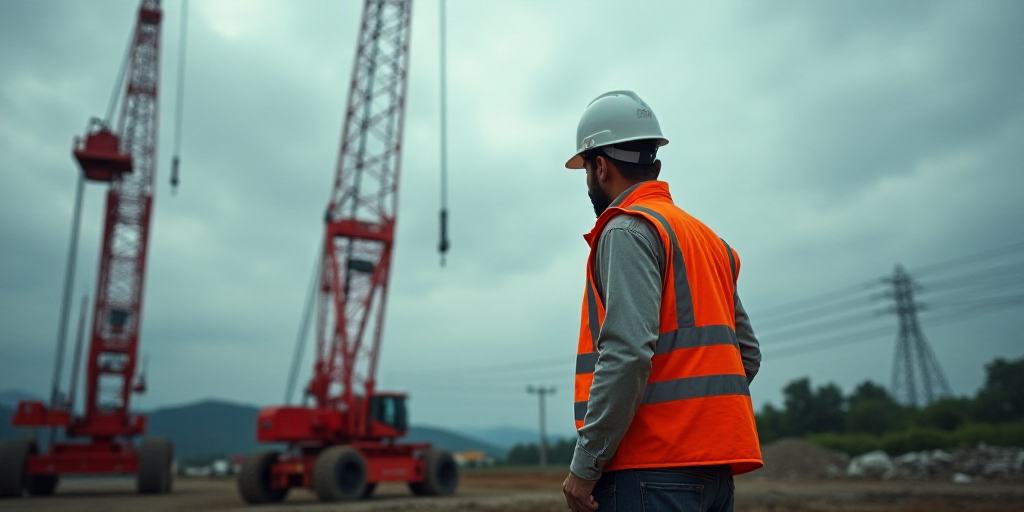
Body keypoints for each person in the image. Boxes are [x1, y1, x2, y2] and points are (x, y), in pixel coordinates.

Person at [561, 91, 763, 512]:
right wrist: (695, 426)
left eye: (586, 169)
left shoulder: (626, 230)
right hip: (714, 473)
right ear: (654, 165)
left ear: (600, 167)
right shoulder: (708, 240)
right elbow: (746, 356)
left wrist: (585, 466)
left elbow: (628, 353)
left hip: (646, 473)